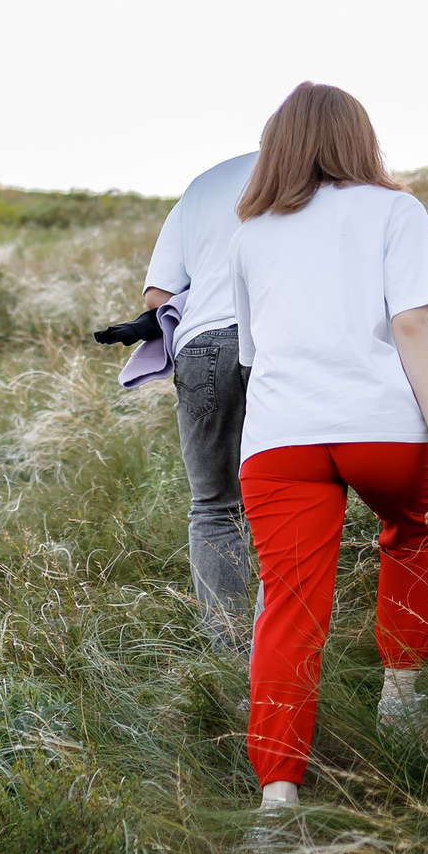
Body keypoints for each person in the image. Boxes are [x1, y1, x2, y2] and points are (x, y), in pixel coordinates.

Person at [228, 84, 428, 814]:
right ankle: (398, 699)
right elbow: (414, 325)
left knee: (289, 610)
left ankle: (277, 797)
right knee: (416, 530)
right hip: (381, 428)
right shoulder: (395, 210)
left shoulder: (249, 233)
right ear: (359, 137)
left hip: (278, 440)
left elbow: (252, 351)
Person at [141, 150, 259, 649]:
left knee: (214, 507)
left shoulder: (202, 185)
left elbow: (157, 295)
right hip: (278, 335)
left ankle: (230, 658)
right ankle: (287, 649)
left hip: (203, 344)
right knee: (299, 493)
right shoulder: (323, 171)